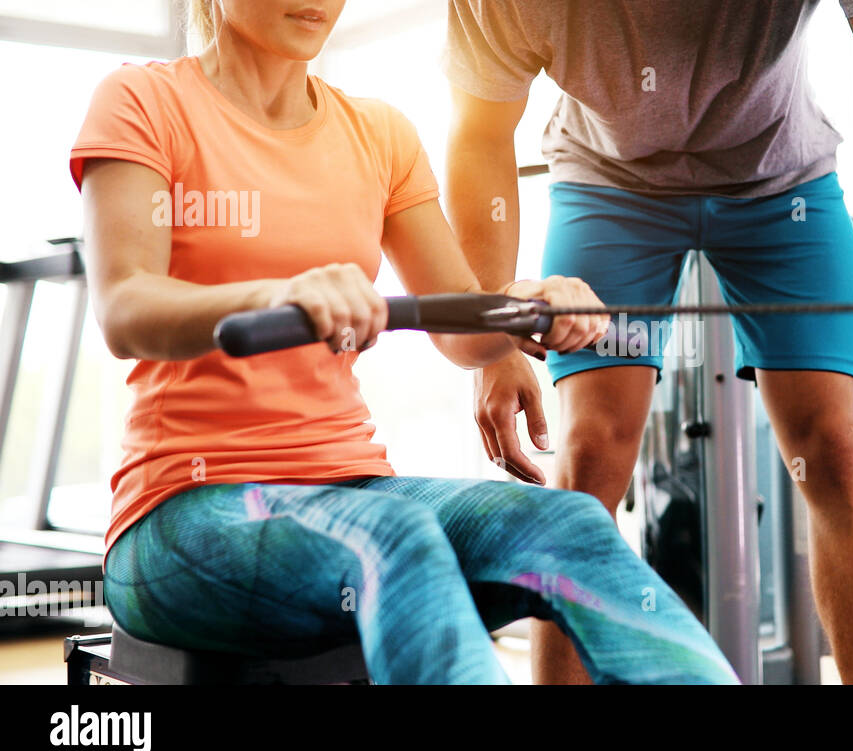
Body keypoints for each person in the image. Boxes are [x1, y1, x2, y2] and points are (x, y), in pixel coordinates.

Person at [71, 0, 739, 685]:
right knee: (391, 536)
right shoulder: (142, 101)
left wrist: (523, 309)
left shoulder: (379, 133)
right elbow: (126, 308)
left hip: (353, 488)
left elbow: (461, 328)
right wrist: (276, 293)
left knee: (568, 524)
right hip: (177, 514)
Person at [443, 0, 853, 684]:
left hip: (781, 183)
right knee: (588, 460)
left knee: (833, 450)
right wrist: (493, 335)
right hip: (610, 183)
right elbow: (479, 133)